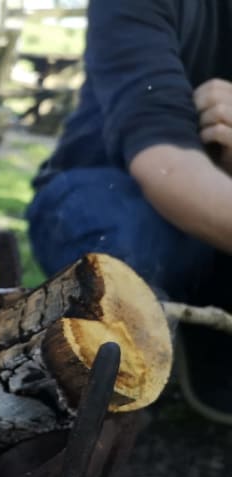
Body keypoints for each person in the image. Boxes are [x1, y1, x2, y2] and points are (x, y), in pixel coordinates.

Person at [25, 0, 232, 423]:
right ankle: (103, 387)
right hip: (107, 191)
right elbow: (164, 162)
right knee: (117, 234)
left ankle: (199, 333)